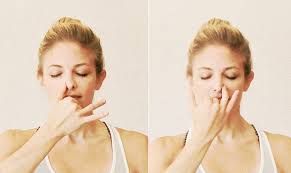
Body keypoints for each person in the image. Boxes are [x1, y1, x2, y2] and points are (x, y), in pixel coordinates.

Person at [0, 17, 147, 173]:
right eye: (56, 74)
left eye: (81, 73)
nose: (69, 83)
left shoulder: (135, 148)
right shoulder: (12, 144)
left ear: (99, 79)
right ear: (41, 77)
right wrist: (52, 131)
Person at [149, 18, 291, 173]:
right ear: (191, 81)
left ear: (247, 81)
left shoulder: (282, 151)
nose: (217, 86)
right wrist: (202, 138)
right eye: (205, 76)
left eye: (230, 76)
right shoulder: (163, 152)